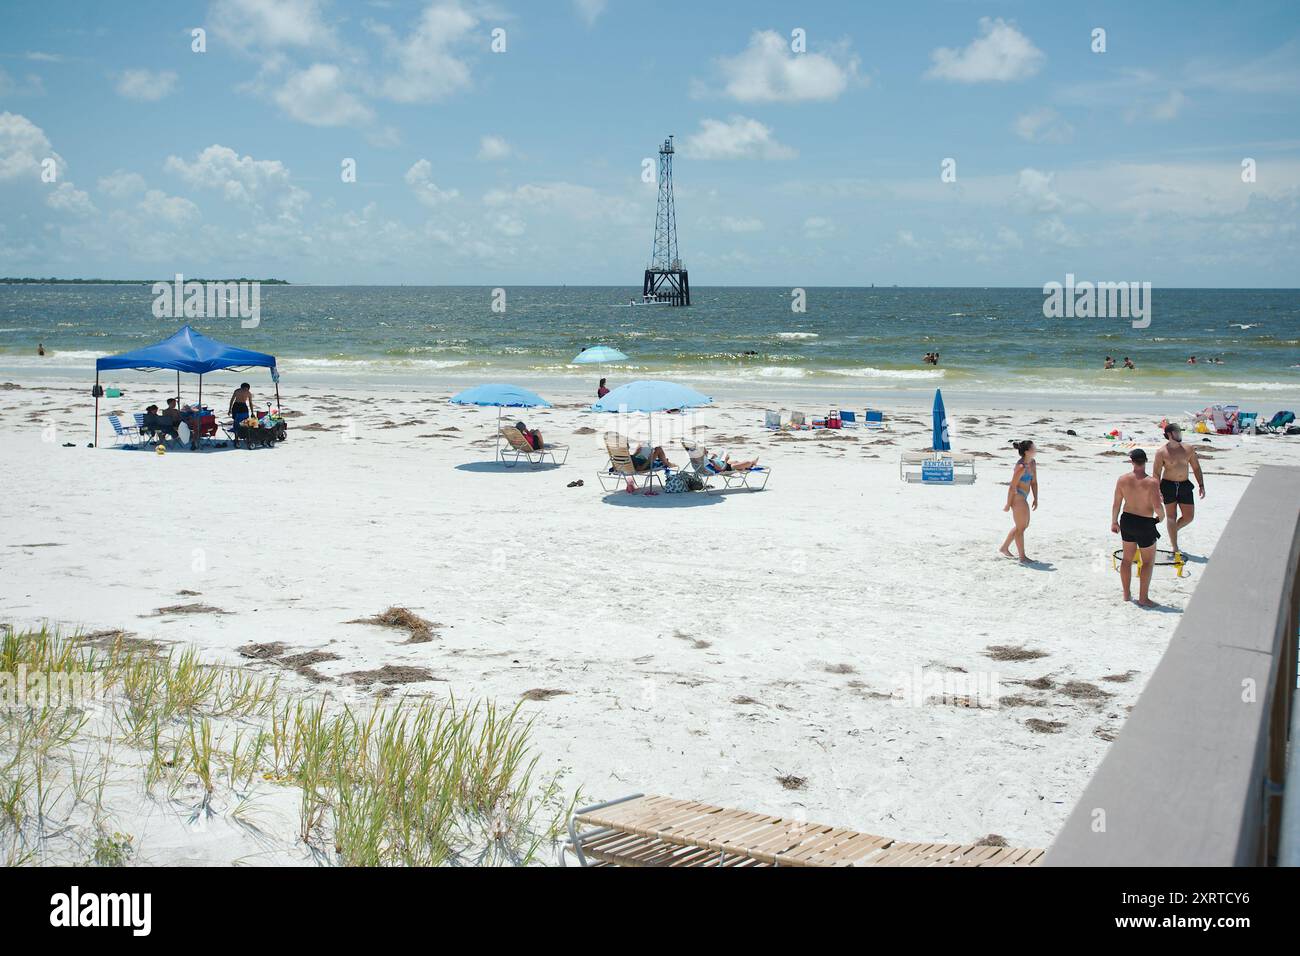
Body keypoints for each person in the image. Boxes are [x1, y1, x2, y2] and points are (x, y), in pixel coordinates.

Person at [1111, 448, 1166, 607]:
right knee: (1148, 562)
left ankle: (1126, 595)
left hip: (1127, 520)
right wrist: (1160, 518)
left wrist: (1114, 522)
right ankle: (1143, 598)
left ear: (1132, 461)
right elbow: (1157, 506)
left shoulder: (1122, 479)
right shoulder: (1152, 482)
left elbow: (1116, 503)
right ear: (1145, 461)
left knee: (1127, 559)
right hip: (1144, 522)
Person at [1152, 423, 1205, 557]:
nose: (1180, 434)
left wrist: (1201, 485)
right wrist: (1157, 491)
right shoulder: (1161, 452)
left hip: (1184, 485)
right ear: (1170, 434)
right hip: (1168, 485)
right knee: (1171, 516)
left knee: (1189, 517)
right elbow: (1156, 473)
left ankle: (1173, 531)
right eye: (1177, 432)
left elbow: (1196, 468)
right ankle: (1175, 547)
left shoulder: (1188, 449)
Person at [999, 440, 1038, 562]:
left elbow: (1034, 482)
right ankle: (1022, 557)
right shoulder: (1021, 467)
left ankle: (1004, 548)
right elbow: (1012, 487)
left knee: (1022, 526)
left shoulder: (1032, 463)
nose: (1036, 449)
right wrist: (1008, 504)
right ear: (1027, 451)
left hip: (1024, 497)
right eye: (1033, 448)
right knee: (1021, 528)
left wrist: (1036, 498)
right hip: (1017, 498)